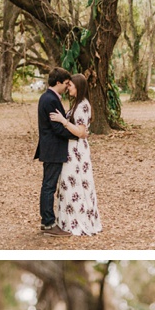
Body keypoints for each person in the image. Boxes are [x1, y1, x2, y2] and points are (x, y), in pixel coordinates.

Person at [50, 72, 103, 236]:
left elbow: (80, 132)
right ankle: (68, 221)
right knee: (69, 183)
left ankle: (79, 221)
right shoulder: (77, 104)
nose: (67, 87)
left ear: (78, 87)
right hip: (71, 149)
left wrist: (63, 121)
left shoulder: (82, 106)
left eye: (70, 85)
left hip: (77, 151)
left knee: (75, 183)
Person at [34, 67, 78, 236]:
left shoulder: (47, 97)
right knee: (49, 186)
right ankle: (48, 223)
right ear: (58, 82)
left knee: (48, 185)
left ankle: (47, 221)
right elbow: (58, 129)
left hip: (50, 147)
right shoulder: (51, 100)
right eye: (66, 83)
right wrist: (77, 135)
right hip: (53, 148)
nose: (67, 87)